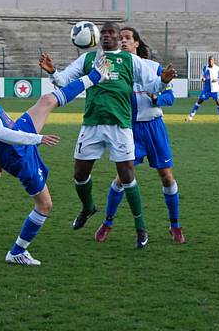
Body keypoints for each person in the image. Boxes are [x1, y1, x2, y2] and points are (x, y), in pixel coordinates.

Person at [39, 22, 177, 249]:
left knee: (127, 176)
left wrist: (163, 81)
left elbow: (151, 84)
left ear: (117, 39)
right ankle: (88, 207)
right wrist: (53, 71)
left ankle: (140, 227)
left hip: (121, 126)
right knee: (79, 175)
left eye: (111, 33)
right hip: (92, 124)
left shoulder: (131, 61)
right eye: (104, 32)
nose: (108, 36)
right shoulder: (88, 60)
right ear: (97, 37)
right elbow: (64, 81)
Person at [0, 54, 109, 266]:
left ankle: (95, 76)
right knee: (45, 205)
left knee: (47, 100)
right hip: (18, 156)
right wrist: (37, 139)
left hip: (16, 142)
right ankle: (17, 251)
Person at [94, 27, 185, 244]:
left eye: (127, 38)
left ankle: (175, 226)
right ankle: (107, 223)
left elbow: (170, 97)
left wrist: (156, 99)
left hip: (153, 127)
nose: (123, 41)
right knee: (122, 178)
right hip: (128, 129)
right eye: (121, 38)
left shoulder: (153, 67)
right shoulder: (109, 67)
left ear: (136, 43)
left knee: (166, 175)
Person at [187, 55, 219, 122]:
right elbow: (203, 76)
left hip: (215, 89)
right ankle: (191, 116)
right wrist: (203, 79)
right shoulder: (205, 68)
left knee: (218, 102)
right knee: (199, 100)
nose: (210, 62)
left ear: (213, 61)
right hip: (207, 89)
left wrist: (217, 80)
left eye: (211, 60)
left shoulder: (217, 68)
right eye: (209, 60)